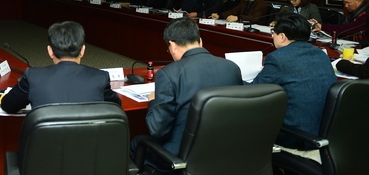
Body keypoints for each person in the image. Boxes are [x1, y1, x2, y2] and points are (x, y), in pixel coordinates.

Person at [131, 18, 242, 172]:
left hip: (180, 156)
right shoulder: (232, 68)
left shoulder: (169, 73)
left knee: (136, 142)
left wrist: (154, 101)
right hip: (224, 150)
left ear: (172, 45)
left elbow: (157, 130)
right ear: (200, 41)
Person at [250, 13, 336, 160]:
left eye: (273, 33)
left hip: (295, 137)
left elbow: (254, 92)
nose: (273, 37)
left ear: (282, 37)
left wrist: (234, 76)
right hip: (323, 132)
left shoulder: (278, 58)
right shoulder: (321, 54)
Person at [1, 21, 121, 113]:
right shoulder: (100, 77)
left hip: (45, 145)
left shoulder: (33, 76)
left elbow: (8, 106)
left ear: (50, 51)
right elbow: (117, 106)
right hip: (89, 144)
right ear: (83, 51)